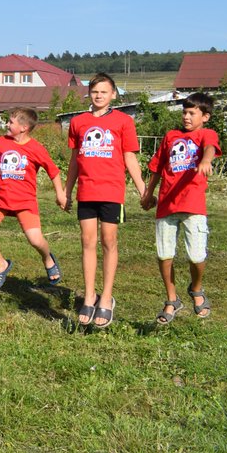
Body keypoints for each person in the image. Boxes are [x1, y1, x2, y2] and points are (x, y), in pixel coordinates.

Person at [64, 73, 145, 329]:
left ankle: (107, 298)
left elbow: (130, 158)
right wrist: (66, 190)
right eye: (95, 91)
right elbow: (75, 160)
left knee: (109, 241)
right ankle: (90, 295)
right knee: (87, 242)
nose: (98, 95)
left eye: (103, 91)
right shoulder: (78, 122)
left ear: (113, 95)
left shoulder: (124, 122)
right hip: (86, 192)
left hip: (111, 193)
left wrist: (143, 189)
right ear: (89, 93)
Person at [0, 108, 67, 292]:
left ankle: (47, 259)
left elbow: (54, 171)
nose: (7, 125)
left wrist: (60, 194)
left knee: (35, 240)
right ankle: (1, 264)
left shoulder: (35, 148)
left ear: (24, 127)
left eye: (11, 122)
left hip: (24, 202)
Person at [141, 92, 219, 324]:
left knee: (196, 256)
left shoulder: (206, 134)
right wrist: (149, 193)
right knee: (164, 255)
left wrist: (205, 161)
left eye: (191, 113)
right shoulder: (170, 136)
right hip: (166, 205)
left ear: (205, 117)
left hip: (193, 205)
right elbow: (157, 167)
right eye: (184, 112)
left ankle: (196, 289)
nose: (186, 117)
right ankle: (172, 299)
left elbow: (210, 148)